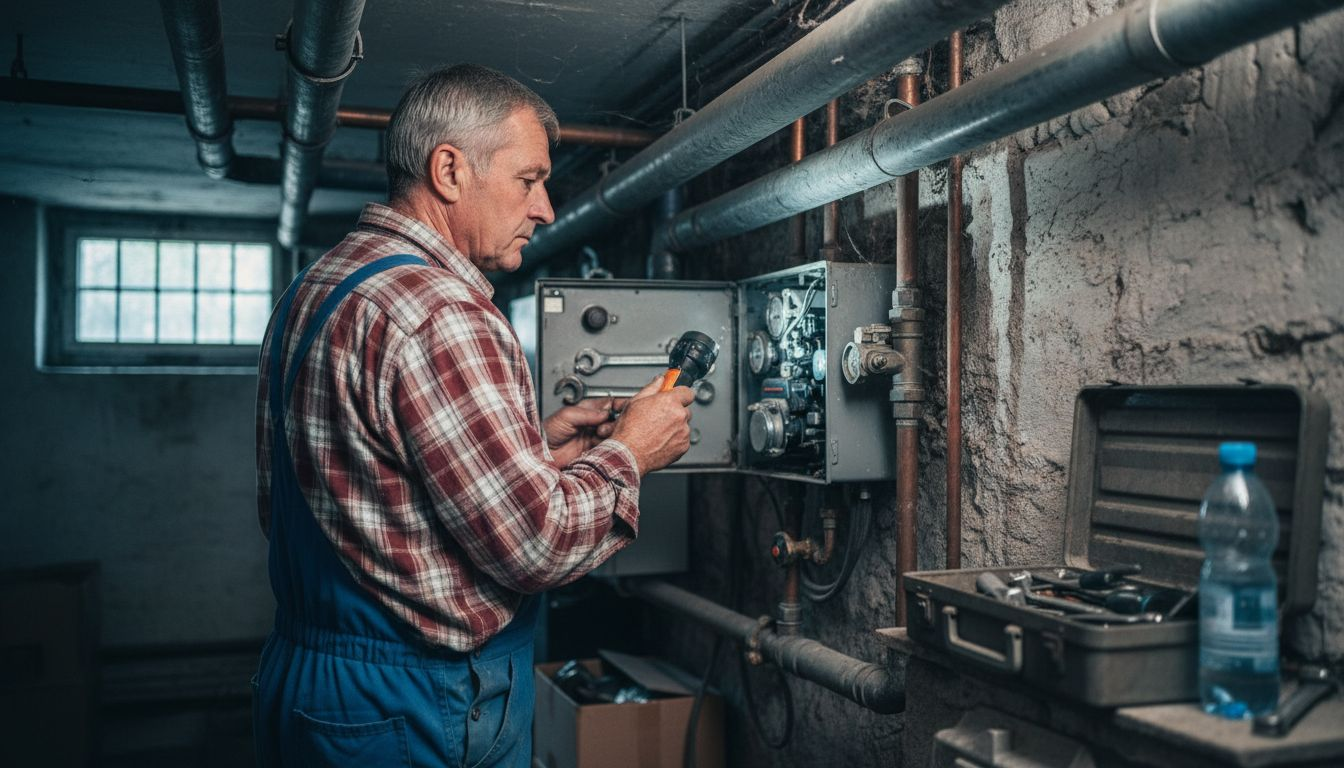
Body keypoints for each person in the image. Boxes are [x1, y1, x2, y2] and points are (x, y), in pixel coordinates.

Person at [252, 63, 695, 766]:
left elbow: (376, 492)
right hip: (412, 699)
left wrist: (533, 454)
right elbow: (539, 545)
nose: (546, 208)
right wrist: (631, 452)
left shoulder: (325, 283)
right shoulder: (444, 312)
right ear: (450, 170)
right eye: (529, 180)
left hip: (315, 675)